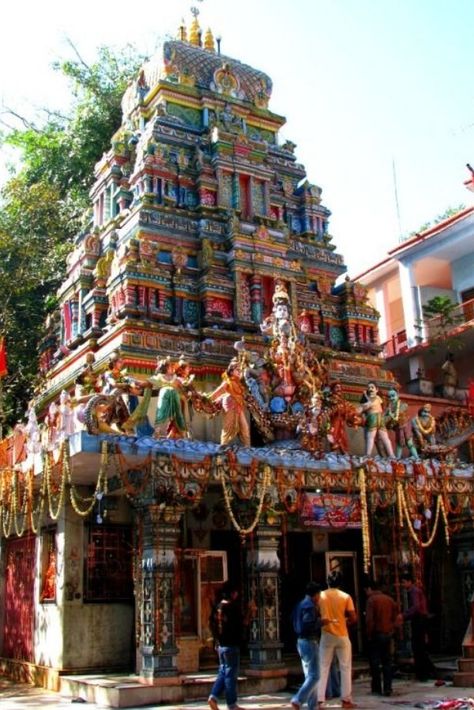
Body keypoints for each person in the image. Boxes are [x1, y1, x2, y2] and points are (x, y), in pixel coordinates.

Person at [317, 570, 358, 710]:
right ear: (340, 583)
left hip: (326, 634)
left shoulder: (321, 596)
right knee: (345, 667)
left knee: (323, 666)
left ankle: (320, 700)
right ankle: (346, 700)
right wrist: (344, 621)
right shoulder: (346, 596)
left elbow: (316, 613)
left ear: (327, 582)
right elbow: (354, 618)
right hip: (342, 634)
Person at [290, 581, 329, 710]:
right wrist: (321, 622)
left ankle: (313, 705)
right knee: (315, 675)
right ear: (316, 594)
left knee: (310, 675)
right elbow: (308, 625)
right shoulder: (309, 606)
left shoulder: (300, 604)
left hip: (301, 641)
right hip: (309, 641)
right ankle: (298, 699)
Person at [208, 581, 245, 710]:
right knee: (230, 675)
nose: (237, 595)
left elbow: (212, 625)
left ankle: (213, 696)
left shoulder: (218, 607)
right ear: (232, 593)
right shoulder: (232, 608)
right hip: (231, 645)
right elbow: (241, 624)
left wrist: (216, 641)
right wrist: (251, 612)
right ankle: (232, 704)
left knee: (223, 672)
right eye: (235, 592)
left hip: (221, 645)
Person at [398, 573, 436, 682]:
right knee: (420, 647)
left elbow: (416, 607)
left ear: (409, 581)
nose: (403, 584)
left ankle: (423, 673)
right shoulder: (414, 591)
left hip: (419, 620)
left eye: (404, 582)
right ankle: (427, 671)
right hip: (419, 619)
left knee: (418, 647)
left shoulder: (414, 591)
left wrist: (404, 615)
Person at [364, 579, 398, 697]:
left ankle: (377, 687)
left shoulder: (371, 600)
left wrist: (368, 634)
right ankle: (388, 687)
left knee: (375, 662)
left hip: (376, 634)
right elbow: (395, 618)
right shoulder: (389, 600)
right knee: (387, 662)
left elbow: (369, 621)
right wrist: (392, 630)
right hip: (387, 633)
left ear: (370, 589)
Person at [209, 360, 251, 447]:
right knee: (227, 429)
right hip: (230, 406)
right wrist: (207, 399)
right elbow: (218, 391)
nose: (240, 371)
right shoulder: (227, 382)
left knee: (245, 429)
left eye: (240, 370)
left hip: (238, 407)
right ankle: (222, 448)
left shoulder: (239, 384)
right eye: (237, 369)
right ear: (231, 371)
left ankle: (248, 449)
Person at [357, 382, 394, 458]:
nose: (370, 389)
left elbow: (371, 404)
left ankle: (391, 455)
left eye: (372, 387)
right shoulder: (368, 400)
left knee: (384, 438)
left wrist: (366, 399)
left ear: (377, 390)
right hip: (372, 418)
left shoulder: (377, 398)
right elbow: (361, 409)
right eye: (369, 387)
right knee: (371, 437)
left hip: (378, 418)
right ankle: (368, 454)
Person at [384, 388, 419, 459]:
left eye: (393, 395)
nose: (391, 398)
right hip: (397, 427)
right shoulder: (388, 408)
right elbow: (384, 419)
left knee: (409, 443)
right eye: (389, 397)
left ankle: (417, 458)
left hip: (405, 425)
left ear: (397, 395)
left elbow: (399, 412)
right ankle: (398, 459)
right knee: (399, 444)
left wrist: (390, 415)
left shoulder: (403, 405)